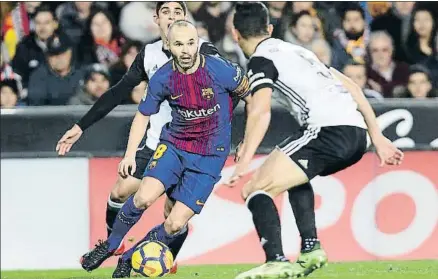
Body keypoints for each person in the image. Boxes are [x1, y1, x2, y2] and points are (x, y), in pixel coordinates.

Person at [228, 3, 404, 279]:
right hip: (356, 133)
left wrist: (243, 161)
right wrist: (377, 137)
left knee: (254, 189)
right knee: (294, 176)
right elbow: (354, 87)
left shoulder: (261, 60)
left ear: (235, 33)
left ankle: (276, 260)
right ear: (270, 29)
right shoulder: (299, 51)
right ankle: (310, 249)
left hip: (327, 130)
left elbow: (260, 111)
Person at [56, 1, 223, 270]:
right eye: (166, 12)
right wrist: (80, 126)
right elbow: (118, 92)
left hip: (194, 148)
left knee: (174, 217)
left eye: (178, 12)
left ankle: (164, 255)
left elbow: (228, 90)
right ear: (156, 19)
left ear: (186, 19)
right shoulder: (150, 54)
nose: (171, 17)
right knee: (121, 191)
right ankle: (115, 242)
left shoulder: (204, 51)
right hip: (158, 143)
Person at [79, 19, 251, 278]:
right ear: (168, 45)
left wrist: (247, 140)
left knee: (174, 224)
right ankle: (111, 245)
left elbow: (254, 98)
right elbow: (142, 115)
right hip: (175, 145)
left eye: (191, 43)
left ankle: (128, 258)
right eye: (179, 44)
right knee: (142, 197)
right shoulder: (163, 78)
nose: (186, 50)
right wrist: (129, 154)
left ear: (198, 43)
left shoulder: (221, 70)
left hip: (210, 156)